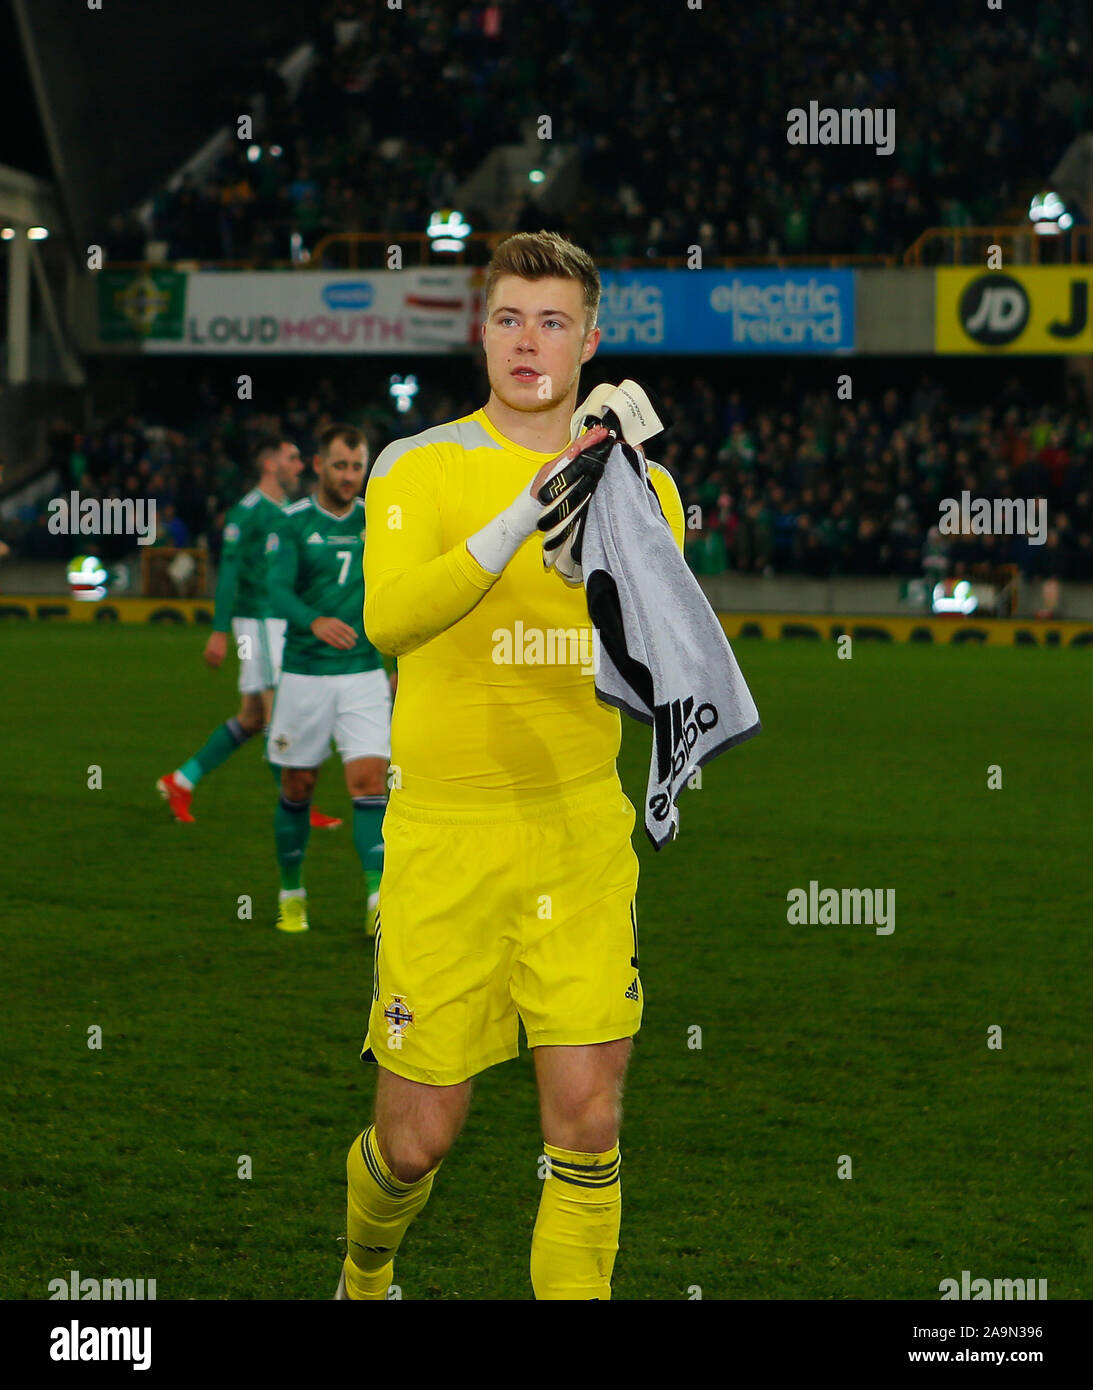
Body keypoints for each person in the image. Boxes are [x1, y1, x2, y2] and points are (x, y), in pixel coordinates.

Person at [337, 230, 685, 1301]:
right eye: (506, 318)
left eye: (550, 321)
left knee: (585, 1119)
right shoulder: (418, 464)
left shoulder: (644, 485)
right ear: (479, 330)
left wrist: (611, 499)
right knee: (415, 1140)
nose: (526, 341)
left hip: (579, 834)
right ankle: (365, 1271)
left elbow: (660, 661)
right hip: (443, 838)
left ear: (592, 337)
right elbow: (390, 618)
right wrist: (524, 513)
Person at [156, 437, 341, 829]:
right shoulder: (247, 512)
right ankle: (298, 808)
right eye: (292, 459)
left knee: (253, 717)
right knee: (281, 714)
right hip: (256, 623)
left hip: (279, 622)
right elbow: (229, 573)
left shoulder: (289, 511)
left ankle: (181, 780)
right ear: (270, 466)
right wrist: (219, 631)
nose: (299, 466)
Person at [266, 424, 392, 935]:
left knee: (369, 785)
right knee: (299, 786)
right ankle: (291, 892)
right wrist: (312, 620)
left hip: (363, 673)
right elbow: (275, 589)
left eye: (357, 466)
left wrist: (401, 659)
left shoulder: (379, 521)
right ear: (318, 465)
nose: (349, 476)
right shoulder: (293, 524)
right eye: (340, 465)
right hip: (305, 676)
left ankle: (377, 899)